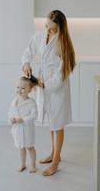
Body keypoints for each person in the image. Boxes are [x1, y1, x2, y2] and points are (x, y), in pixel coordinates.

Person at [21, 10, 75, 176]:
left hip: (56, 90)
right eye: (47, 26)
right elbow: (27, 51)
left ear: (60, 28)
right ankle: (53, 154)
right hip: (44, 88)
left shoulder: (62, 44)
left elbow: (62, 73)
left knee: (57, 125)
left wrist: (45, 85)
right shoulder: (40, 36)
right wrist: (26, 64)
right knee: (52, 123)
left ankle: (56, 161)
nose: (48, 30)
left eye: (52, 28)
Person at [8, 77, 38, 173]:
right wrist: (11, 119)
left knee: (29, 147)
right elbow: (10, 113)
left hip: (27, 129)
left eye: (23, 88)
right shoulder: (14, 101)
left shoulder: (31, 102)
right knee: (21, 147)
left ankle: (33, 165)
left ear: (29, 90)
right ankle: (23, 164)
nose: (19, 90)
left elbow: (34, 115)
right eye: (18, 87)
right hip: (18, 129)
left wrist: (23, 119)